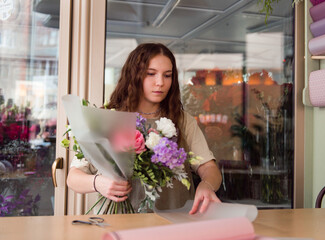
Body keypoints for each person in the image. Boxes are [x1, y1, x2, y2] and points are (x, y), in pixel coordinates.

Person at [67, 43, 222, 214]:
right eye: (151, 74)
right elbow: (73, 178)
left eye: (167, 75)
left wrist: (206, 185)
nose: (160, 83)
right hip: (118, 224)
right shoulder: (108, 117)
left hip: (173, 223)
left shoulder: (183, 121)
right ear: (134, 75)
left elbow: (209, 168)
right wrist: (98, 183)